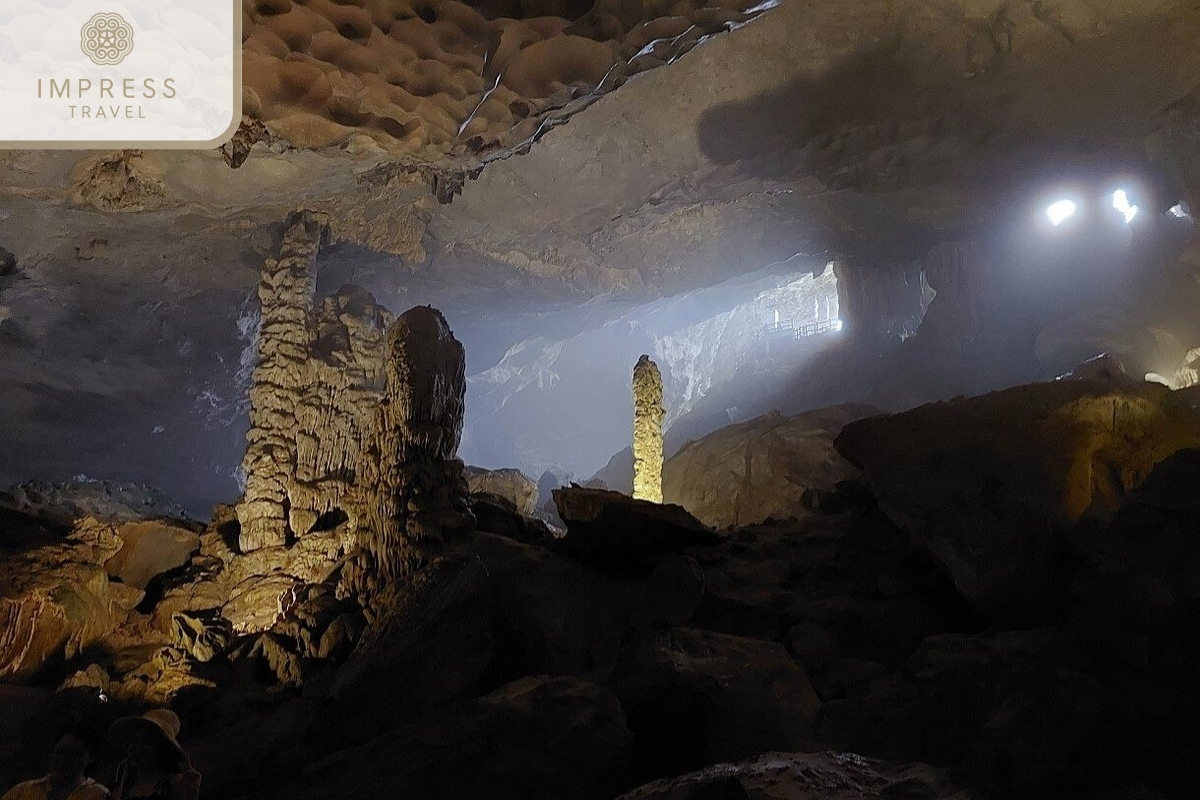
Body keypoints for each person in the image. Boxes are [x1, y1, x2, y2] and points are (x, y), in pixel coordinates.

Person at [105, 711, 200, 800]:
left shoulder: (174, 784)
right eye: (134, 740)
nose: (136, 748)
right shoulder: (120, 787)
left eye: (146, 742)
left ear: (162, 749)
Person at [1, 734, 109, 800]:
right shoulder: (23, 791)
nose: (65, 759)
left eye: (74, 754)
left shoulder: (99, 795)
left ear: (89, 758)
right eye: (60, 752)